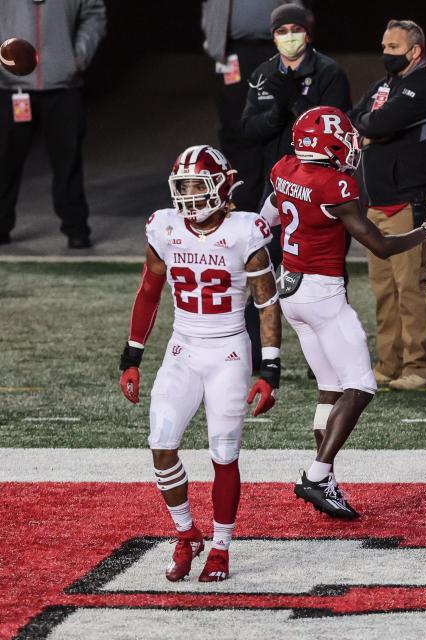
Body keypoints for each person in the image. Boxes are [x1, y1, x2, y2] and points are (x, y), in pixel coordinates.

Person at [261, 106, 426, 518]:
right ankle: (316, 472)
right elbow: (379, 245)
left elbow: (270, 214)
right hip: (322, 293)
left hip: (289, 289)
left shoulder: (284, 167)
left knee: (330, 387)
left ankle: (324, 480)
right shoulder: (335, 184)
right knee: (361, 386)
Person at [117, 145, 283, 582]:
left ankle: (222, 547)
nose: (189, 196)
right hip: (183, 348)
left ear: (223, 185)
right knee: (161, 442)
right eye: (183, 186)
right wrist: (132, 355)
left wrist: (270, 369)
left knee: (224, 454)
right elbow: (149, 292)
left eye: (198, 185)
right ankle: (187, 532)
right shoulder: (165, 227)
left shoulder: (246, 230)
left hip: (228, 349)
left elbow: (266, 304)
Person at [240, 2, 350, 369]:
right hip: (278, 185)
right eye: (281, 31)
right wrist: (276, 111)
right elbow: (248, 130)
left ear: (309, 31)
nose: (289, 37)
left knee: (326, 270)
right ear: (272, 36)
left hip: (320, 189)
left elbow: (336, 127)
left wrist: (297, 103)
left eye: (295, 29)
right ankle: (257, 354)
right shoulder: (261, 74)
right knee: (262, 266)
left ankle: (329, 356)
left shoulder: (329, 72)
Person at [348, 19, 426, 391]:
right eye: (384, 46)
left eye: (393, 47)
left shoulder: (424, 87)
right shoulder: (383, 85)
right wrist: (371, 127)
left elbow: (378, 123)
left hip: (411, 202)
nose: (386, 53)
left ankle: (420, 369)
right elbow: (357, 120)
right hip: (379, 203)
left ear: (414, 50)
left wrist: (373, 128)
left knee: (411, 289)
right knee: (384, 291)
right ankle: (388, 364)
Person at [0, 0, 106, 248]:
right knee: (4, 159)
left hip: (63, 86)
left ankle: (76, 228)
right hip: (9, 85)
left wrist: (77, 57)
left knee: (67, 161)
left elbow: (94, 14)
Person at [201, 0, 302, 212]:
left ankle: (280, 194)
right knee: (235, 121)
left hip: (277, 48)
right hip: (233, 52)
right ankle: (242, 198)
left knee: (280, 118)